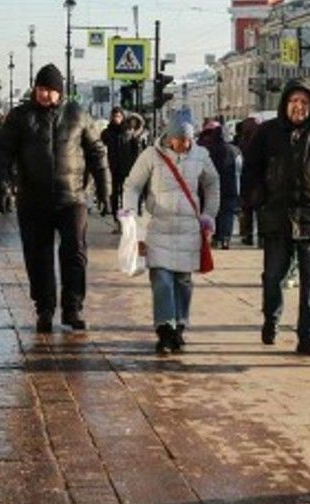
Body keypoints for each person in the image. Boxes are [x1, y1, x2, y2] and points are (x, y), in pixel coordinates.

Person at [0, 64, 108, 333]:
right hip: (33, 199)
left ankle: (73, 308)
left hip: (72, 198)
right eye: (41, 89)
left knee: (75, 253)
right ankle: (44, 309)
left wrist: (105, 189)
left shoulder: (77, 115)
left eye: (51, 90)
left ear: (60, 92)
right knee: (38, 256)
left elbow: (97, 152)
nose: (45, 94)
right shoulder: (20, 117)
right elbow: (2, 153)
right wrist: (0, 185)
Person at [242, 80, 310, 356]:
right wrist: (258, 196)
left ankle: (308, 337)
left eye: (304, 103)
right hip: (277, 217)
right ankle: (271, 319)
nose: (299, 107)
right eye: (294, 102)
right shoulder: (268, 133)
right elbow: (250, 168)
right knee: (274, 276)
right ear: (285, 104)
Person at [121, 112, 219, 355]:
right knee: (162, 280)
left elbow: (212, 184)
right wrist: (130, 215)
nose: (183, 145)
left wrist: (208, 216)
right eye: (179, 139)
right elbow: (132, 185)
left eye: (187, 139)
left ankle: (180, 326)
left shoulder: (201, 156)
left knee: (183, 282)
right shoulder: (151, 156)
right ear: (169, 137)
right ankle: (165, 330)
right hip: (158, 227)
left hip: (188, 229)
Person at [101, 107, 147, 229]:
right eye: (114, 116)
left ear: (123, 117)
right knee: (114, 194)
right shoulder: (107, 133)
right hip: (113, 168)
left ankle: (127, 219)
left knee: (126, 194)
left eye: (119, 116)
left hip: (127, 167)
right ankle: (117, 220)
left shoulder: (128, 132)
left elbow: (135, 150)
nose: (116, 119)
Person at [197, 119, 240, 248]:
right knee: (227, 212)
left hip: (208, 186)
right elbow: (239, 168)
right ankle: (225, 238)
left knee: (211, 209)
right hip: (230, 186)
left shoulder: (204, 149)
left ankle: (213, 236)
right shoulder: (234, 150)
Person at [233, 116, 261, 246]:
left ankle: (247, 235)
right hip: (261, 179)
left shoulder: (240, 141)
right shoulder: (264, 139)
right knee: (261, 210)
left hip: (246, 179)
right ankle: (262, 237)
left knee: (247, 209)